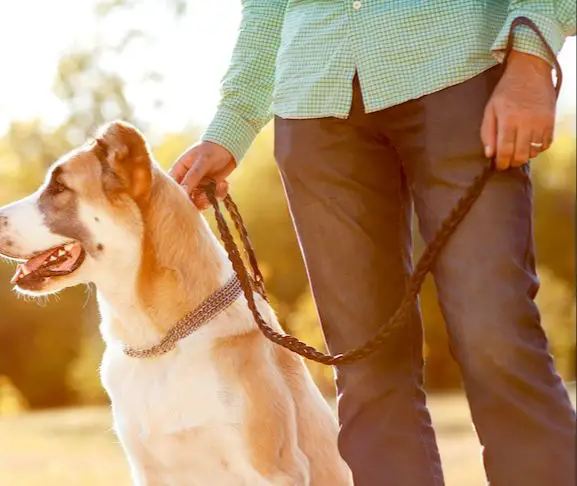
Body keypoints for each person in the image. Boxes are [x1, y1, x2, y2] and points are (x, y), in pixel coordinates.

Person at [169, 3, 577, 486]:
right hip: (315, 102)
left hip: (458, 68)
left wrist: (530, 56)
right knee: (365, 370)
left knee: (497, 339)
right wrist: (232, 124)